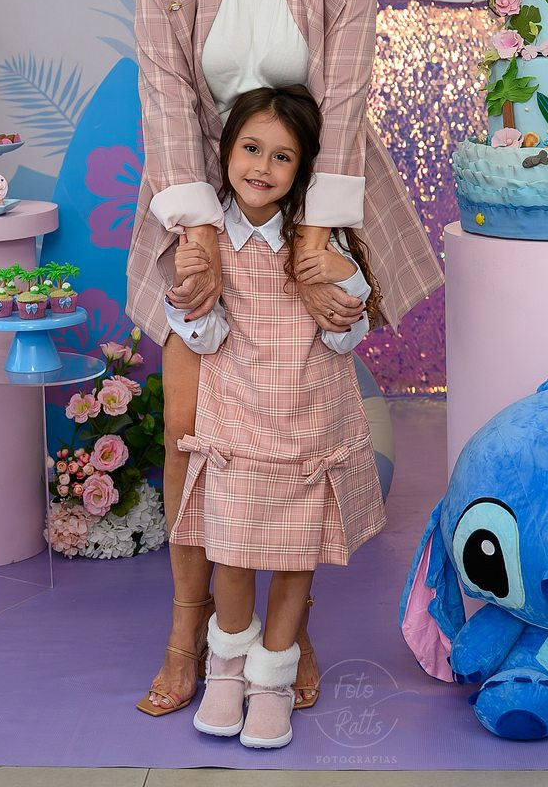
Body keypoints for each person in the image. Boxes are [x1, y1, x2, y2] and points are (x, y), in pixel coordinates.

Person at [131, 0, 444, 717]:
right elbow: (164, 88)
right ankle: (188, 629)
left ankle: (287, 629)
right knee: (193, 432)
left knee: (294, 426)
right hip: (198, 191)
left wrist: (314, 241)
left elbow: (342, 103)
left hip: (309, 194)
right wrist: (195, 232)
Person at [165, 85, 387, 749]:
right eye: (251, 148)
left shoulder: (321, 239)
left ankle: (273, 679)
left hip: (307, 423)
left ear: (304, 167)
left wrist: (344, 274)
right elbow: (204, 338)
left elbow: (346, 339)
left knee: (294, 561)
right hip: (238, 425)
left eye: (282, 156)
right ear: (226, 152)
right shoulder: (206, 240)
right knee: (232, 556)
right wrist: (188, 293)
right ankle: (227, 669)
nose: (262, 167)